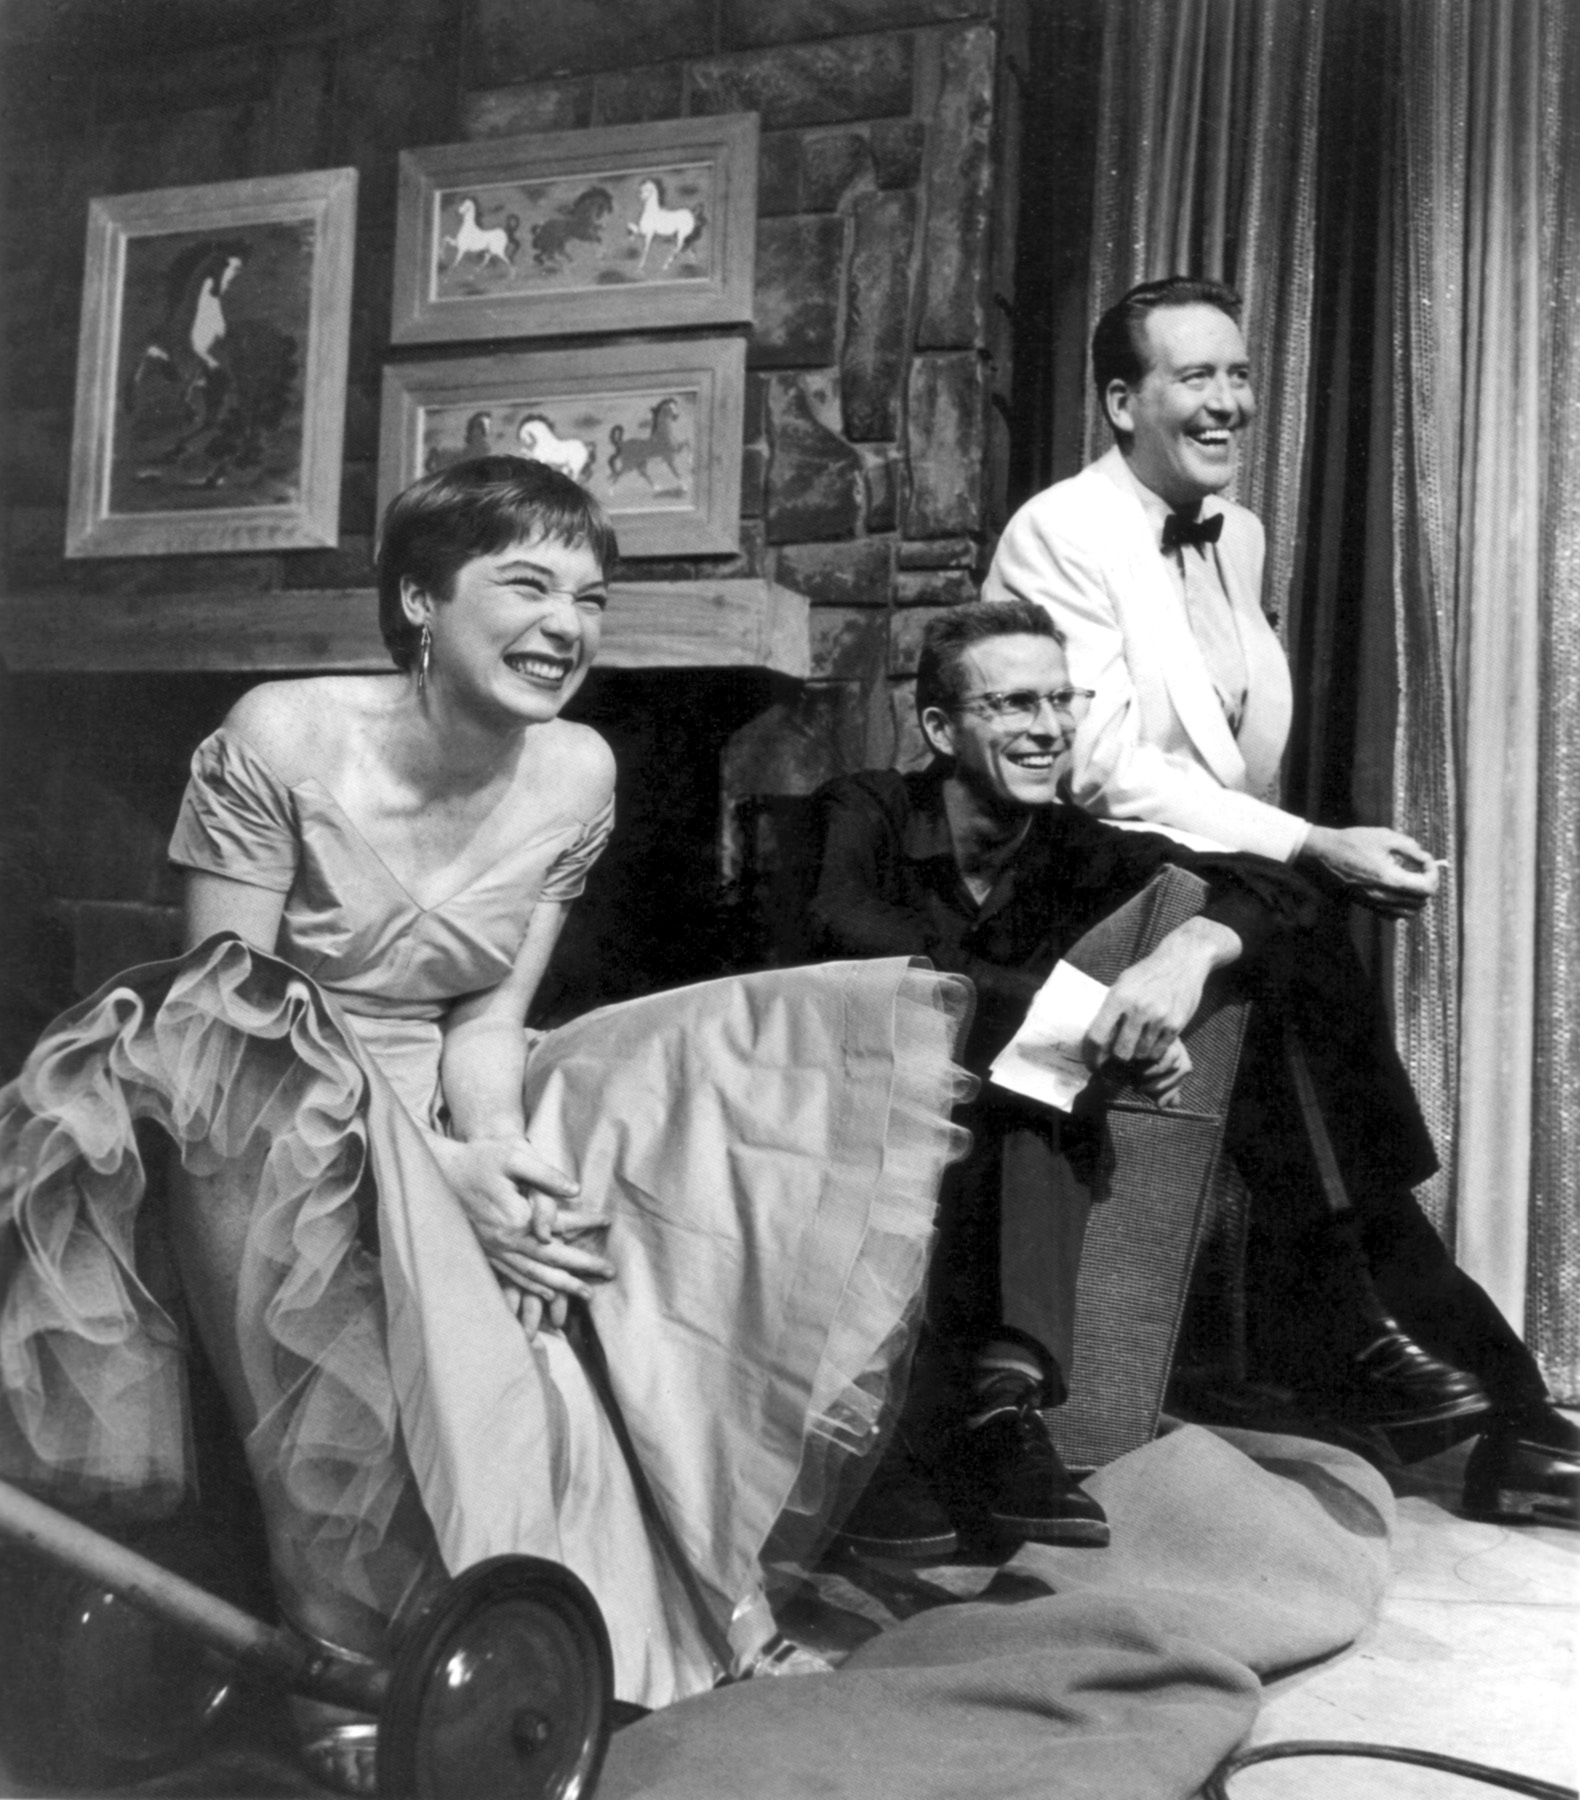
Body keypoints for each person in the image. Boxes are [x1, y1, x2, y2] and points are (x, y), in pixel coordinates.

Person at [0, 458, 975, 1790]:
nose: (567, 625)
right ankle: (343, 1660)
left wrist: (498, 1155)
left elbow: (486, 1021)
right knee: (348, 1199)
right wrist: (422, 1175)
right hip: (255, 1102)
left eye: (592, 597)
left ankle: (671, 1613)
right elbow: (219, 1021)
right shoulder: (282, 732)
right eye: (527, 585)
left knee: (638, 1184)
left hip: (443, 1092)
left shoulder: (576, 770)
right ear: (419, 600)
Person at [982, 277, 1576, 1513]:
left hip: (1202, 860)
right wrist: (1305, 846)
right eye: (1193, 376)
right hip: (1081, 864)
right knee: (1295, 926)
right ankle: (1407, 1362)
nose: (1227, 401)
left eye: (1238, 373)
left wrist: (1281, 861)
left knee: (1291, 934)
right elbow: (1095, 769)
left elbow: (1227, 761)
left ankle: (1460, 1387)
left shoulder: (1236, 535)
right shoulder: (1058, 529)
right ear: (1120, 402)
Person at [808, 599, 1334, 1556]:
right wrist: (1093, 1026)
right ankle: (913, 1431)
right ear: (941, 729)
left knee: (1038, 1079)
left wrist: (1183, 962)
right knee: (1039, 1055)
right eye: (1014, 704)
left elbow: (1279, 889)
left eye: (1062, 700)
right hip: (834, 1112)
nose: (1049, 727)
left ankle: (1001, 1411)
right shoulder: (865, 810)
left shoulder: (1076, 846)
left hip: (1005, 1132)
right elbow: (855, 942)